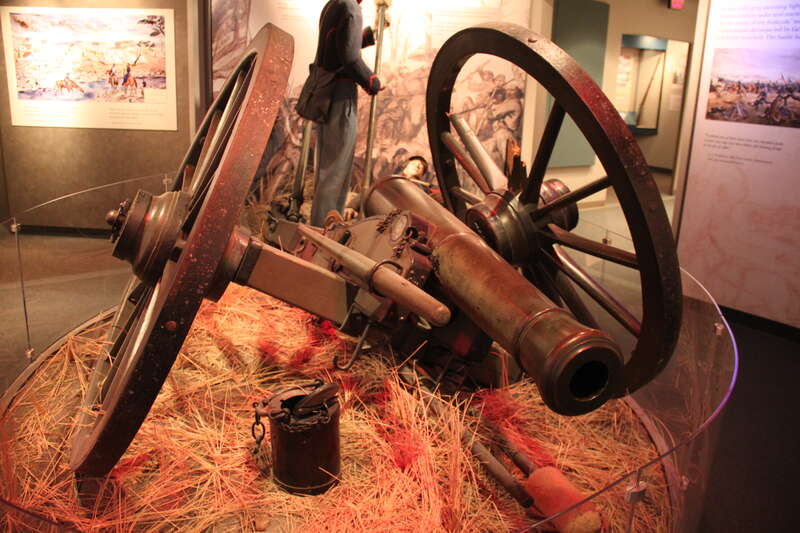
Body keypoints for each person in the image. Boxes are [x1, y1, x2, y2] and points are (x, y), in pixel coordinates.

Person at [308, 0, 389, 227]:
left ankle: (321, 226)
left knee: (328, 169)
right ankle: (324, 231)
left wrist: (370, 35)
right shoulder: (351, 8)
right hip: (340, 94)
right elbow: (350, 59)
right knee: (336, 171)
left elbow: (339, 46)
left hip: (327, 92)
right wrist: (372, 82)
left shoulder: (335, 4)